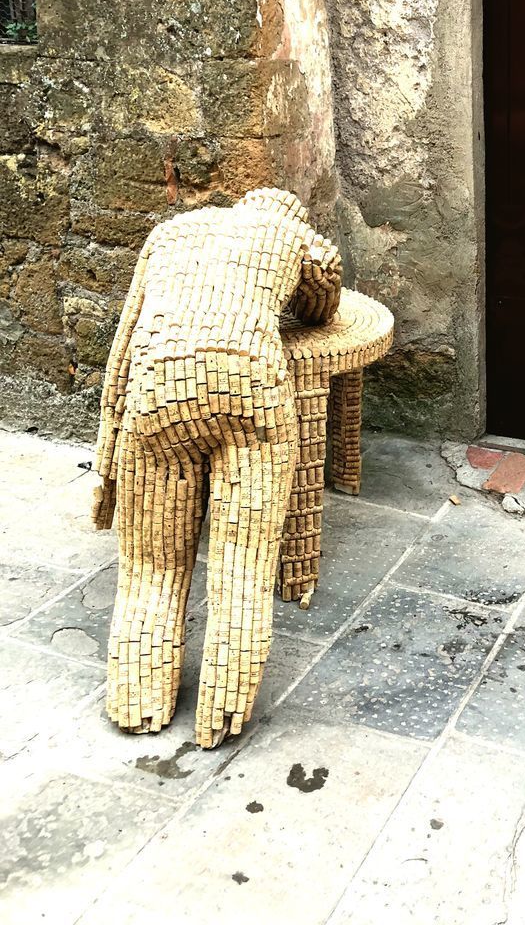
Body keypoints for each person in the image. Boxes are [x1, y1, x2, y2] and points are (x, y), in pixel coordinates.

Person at [93, 187, 341, 746]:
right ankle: (219, 720)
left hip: (158, 387)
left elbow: (124, 346)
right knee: (243, 569)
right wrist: (315, 264)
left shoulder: (170, 233)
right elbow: (321, 310)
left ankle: (138, 698)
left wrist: (107, 460)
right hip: (250, 387)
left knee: (151, 567)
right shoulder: (293, 237)